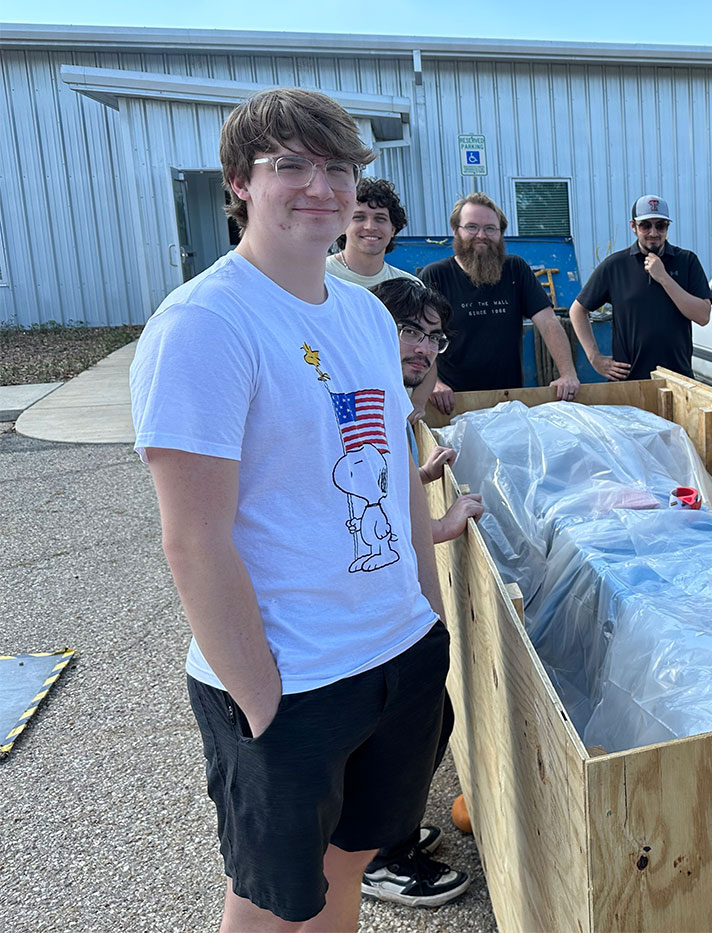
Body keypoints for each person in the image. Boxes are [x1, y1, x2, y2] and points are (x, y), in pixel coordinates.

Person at [129, 88, 454, 929]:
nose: (322, 186)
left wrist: (431, 617)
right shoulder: (206, 323)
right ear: (238, 181)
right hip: (295, 680)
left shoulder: (362, 313)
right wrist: (263, 703)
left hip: (396, 653)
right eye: (291, 166)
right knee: (273, 901)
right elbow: (192, 540)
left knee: (345, 867)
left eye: (338, 167)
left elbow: (389, 471)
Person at [354, 277, 481, 907]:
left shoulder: (396, 410)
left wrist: (421, 472)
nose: (424, 348)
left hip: (395, 611)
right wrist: (443, 524)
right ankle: (380, 857)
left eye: (434, 337)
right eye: (409, 331)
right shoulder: (368, 411)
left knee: (430, 723)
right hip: (376, 617)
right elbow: (363, 518)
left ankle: (384, 831)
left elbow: (386, 481)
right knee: (409, 731)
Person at [419, 193, 580, 413]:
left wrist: (568, 374)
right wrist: (433, 383)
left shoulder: (515, 269)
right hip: (451, 403)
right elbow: (420, 338)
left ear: (501, 233)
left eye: (490, 229)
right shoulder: (436, 276)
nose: (481, 235)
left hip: (510, 401)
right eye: (472, 227)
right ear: (456, 231)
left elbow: (548, 322)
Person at [568, 194, 712, 381]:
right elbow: (577, 310)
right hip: (628, 382)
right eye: (645, 225)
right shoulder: (615, 265)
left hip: (678, 379)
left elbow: (703, 316)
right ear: (633, 227)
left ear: (667, 227)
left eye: (660, 225)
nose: (653, 233)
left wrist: (664, 278)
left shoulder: (686, 261)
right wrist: (594, 358)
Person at [326, 177, 422, 288]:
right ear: (342, 225)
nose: (370, 227)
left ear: (393, 229)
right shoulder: (319, 276)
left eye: (380, 218)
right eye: (359, 217)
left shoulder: (410, 287)